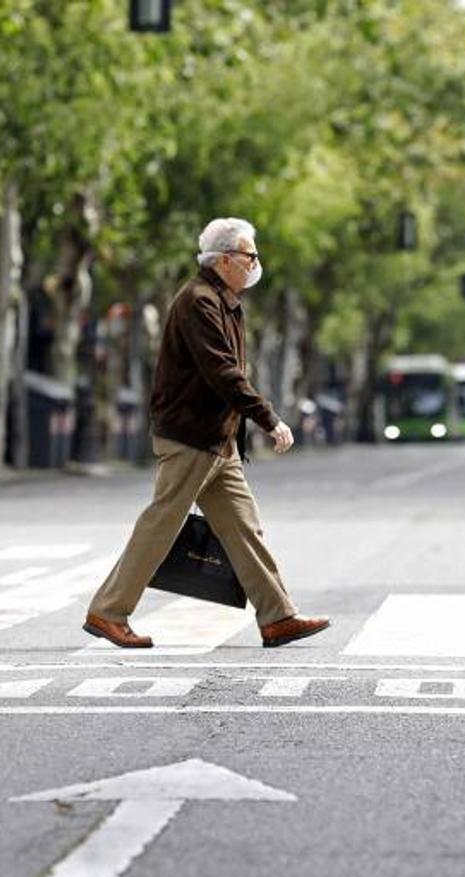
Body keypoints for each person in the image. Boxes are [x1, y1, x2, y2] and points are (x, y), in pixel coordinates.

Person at [84, 217, 329, 649]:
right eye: (249, 255)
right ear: (225, 260)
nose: (255, 263)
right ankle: (108, 612)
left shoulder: (225, 301)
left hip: (218, 439)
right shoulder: (198, 301)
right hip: (190, 436)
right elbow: (223, 372)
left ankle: (278, 617)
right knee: (161, 523)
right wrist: (268, 417)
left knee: (245, 528)